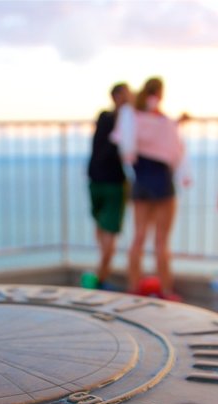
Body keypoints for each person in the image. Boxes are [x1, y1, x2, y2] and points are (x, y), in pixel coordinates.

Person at [113, 77, 190, 300]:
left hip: (140, 182)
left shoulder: (132, 119)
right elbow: (174, 149)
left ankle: (134, 286)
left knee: (138, 237)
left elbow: (124, 145)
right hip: (163, 183)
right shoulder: (163, 121)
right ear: (159, 94)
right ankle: (166, 290)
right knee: (161, 241)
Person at [86, 83, 132, 289]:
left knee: (101, 227)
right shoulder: (123, 119)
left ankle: (101, 273)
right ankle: (101, 279)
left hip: (95, 178)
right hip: (112, 181)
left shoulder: (103, 117)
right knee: (109, 231)